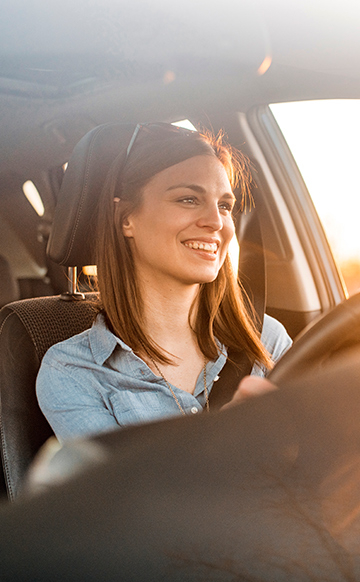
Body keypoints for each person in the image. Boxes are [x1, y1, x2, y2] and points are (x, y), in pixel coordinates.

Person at [37, 123, 292, 442]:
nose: (216, 222)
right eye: (188, 199)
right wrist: (226, 444)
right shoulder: (73, 371)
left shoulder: (266, 340)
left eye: (224, 206)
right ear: (126, 218)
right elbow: (123, 492)